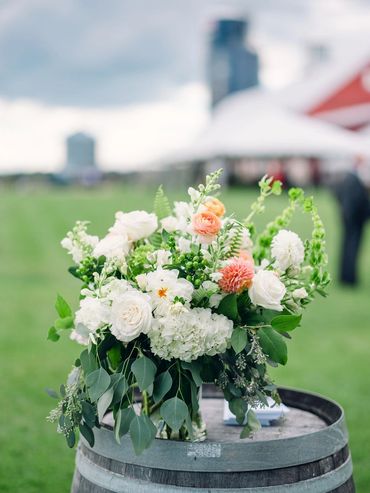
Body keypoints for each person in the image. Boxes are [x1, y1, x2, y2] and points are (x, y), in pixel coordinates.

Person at [335, 157, 370, 285]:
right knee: (351, 249)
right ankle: (349, 278)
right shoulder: (353, 179)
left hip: (349, 220)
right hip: (354, 221)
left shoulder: (348, 178)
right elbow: (357, 202)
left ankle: (346, 277)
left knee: (348, 248)